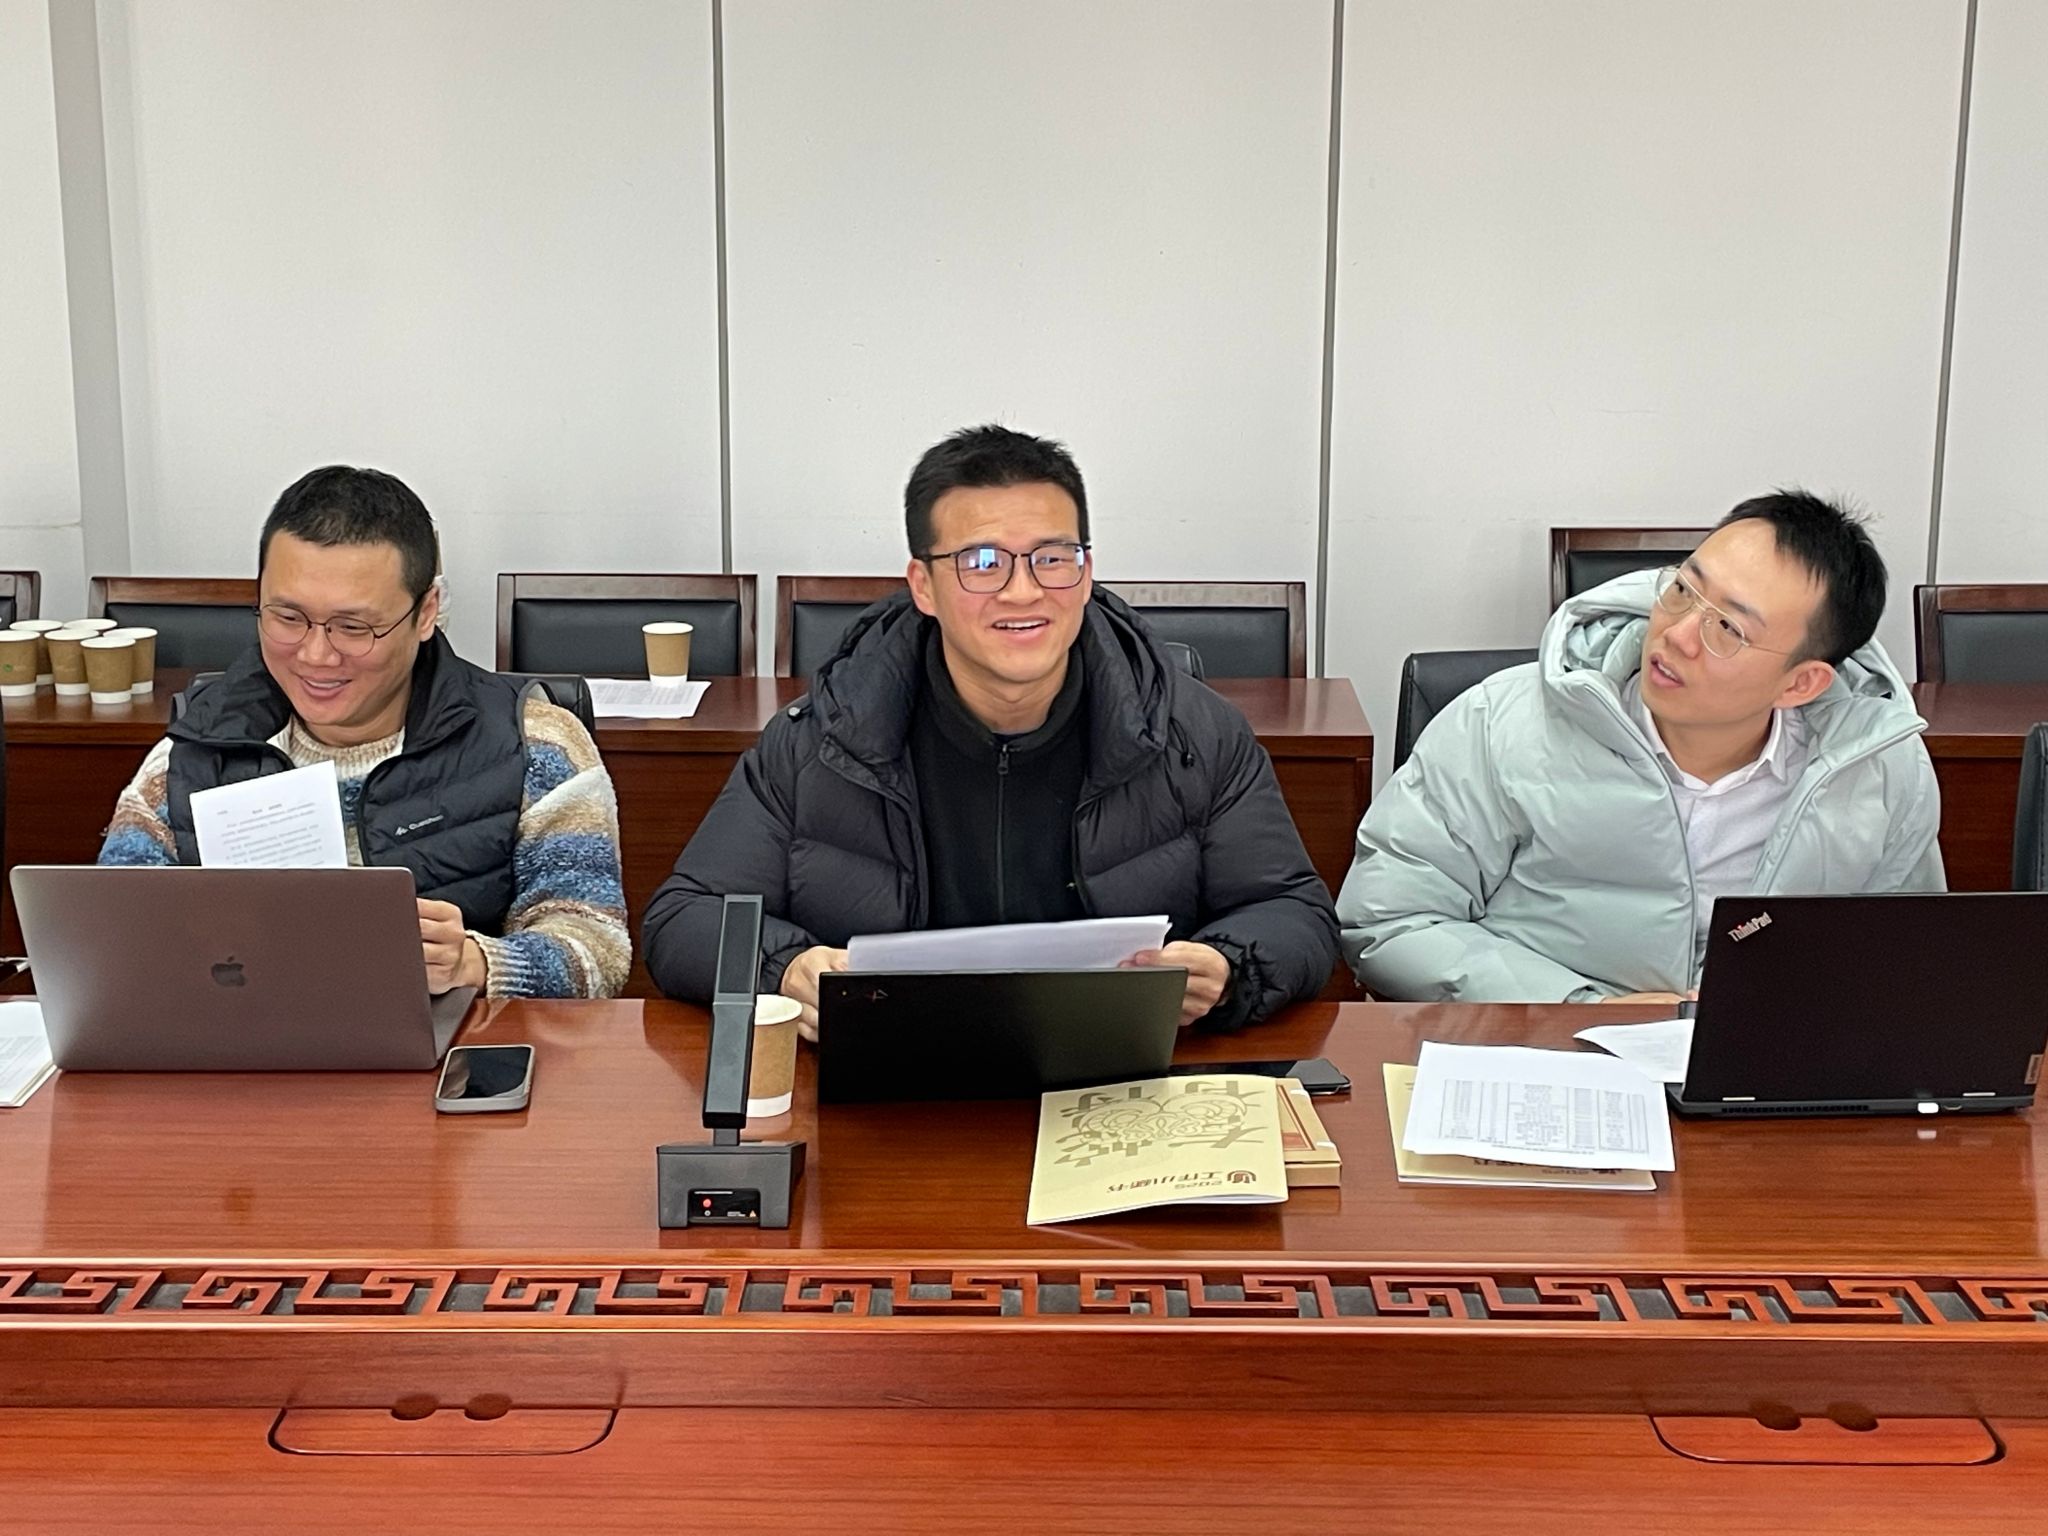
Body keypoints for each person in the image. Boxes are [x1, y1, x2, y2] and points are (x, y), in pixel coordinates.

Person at [644, 424, 1338, 1033]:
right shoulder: (822, 738)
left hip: (1124, 1078)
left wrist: (1228, 966)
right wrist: (786, 969)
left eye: (1052, 558)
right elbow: (684, 919)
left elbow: (1297, 912)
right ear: (923, 586)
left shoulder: (1193, 732)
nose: (1023, 590)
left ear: (1086, 573)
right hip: (888, 1085)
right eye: (982, 562)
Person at [1338, 491, 1943, 1003]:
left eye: (1728, 628)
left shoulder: (1878, 768)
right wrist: (1583, 1009)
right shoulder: (1500, 724)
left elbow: (1905, 959)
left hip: (1758, 1076)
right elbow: (1391, 921)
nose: (1677, 635)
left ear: (1800, 684)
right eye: (1682, 590)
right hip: (1544, 1057)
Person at [99, 466, 631, 1000]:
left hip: (456, 1046)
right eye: (287, 618)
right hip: (241, 1038)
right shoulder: (193, 751)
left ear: (426, 614)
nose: (316, 655)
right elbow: (109, 942)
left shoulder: (534, 742)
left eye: (354, 628)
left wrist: (477, 963)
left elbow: (598, 951)